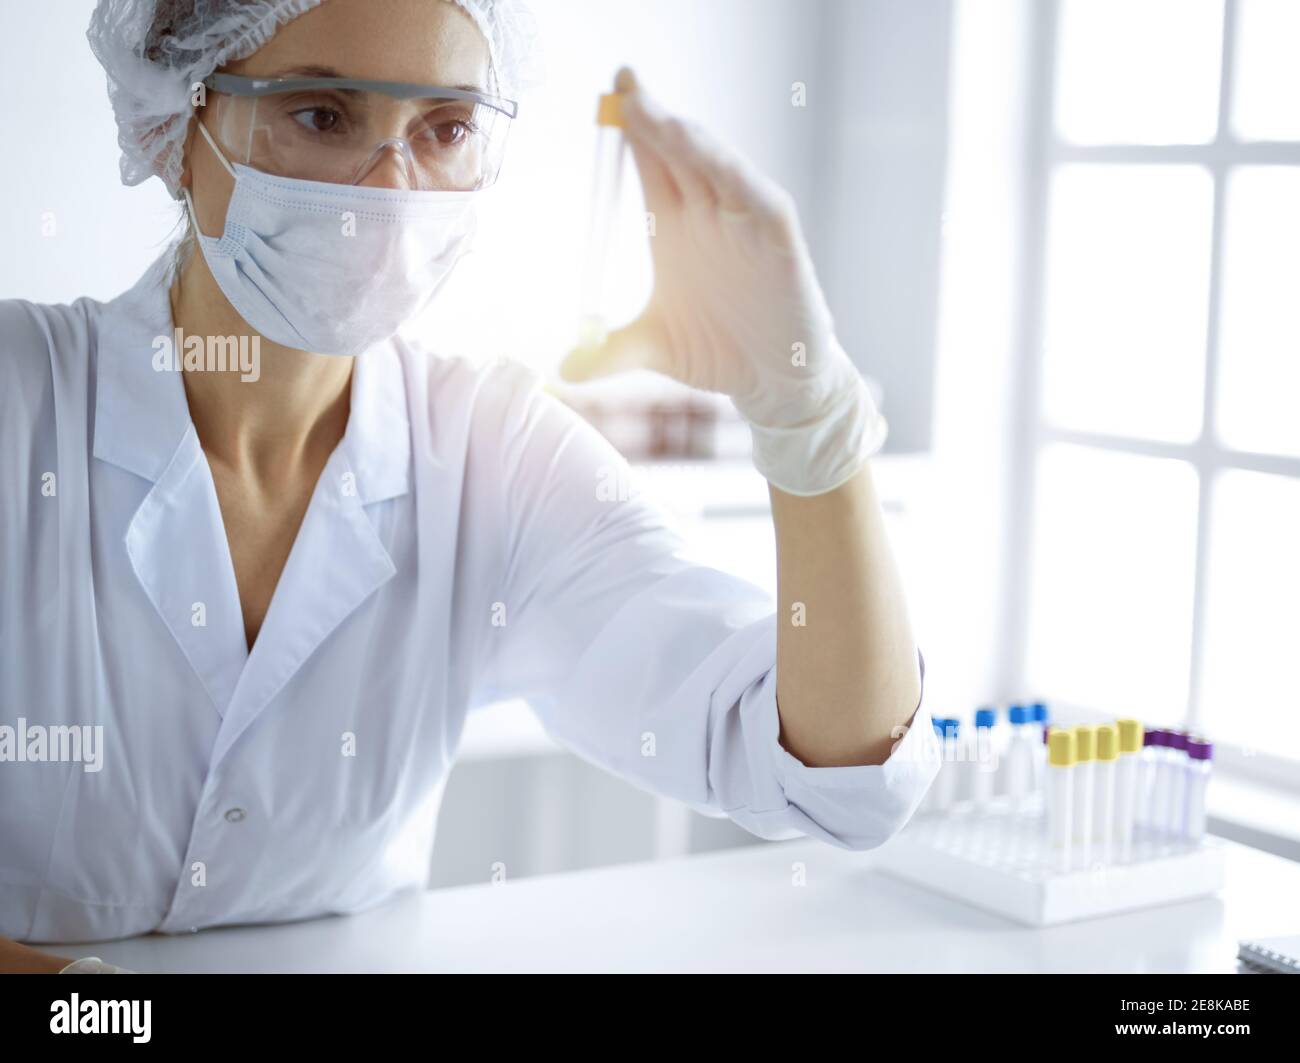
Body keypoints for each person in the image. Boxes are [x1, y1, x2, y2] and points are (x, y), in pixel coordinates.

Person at [0, 0, 937, 973]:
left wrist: (807, 417)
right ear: (180, 129)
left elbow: (844, 775)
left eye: (444, 129)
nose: (391, 184)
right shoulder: (20, 402)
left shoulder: (492, 454)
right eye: (322, 115)